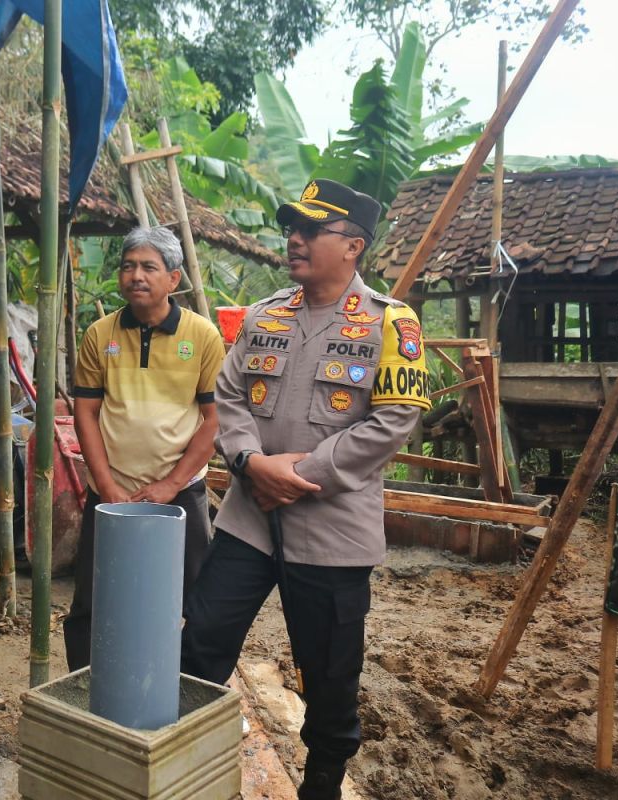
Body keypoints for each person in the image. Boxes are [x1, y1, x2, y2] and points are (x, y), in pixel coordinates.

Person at [180, 180, 431, 799]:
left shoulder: (390, 323)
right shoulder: (266, 315)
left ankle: (320, 785)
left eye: (311, 230)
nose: (294, 239)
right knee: (199, 644)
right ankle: (186, 769)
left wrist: (298, 475)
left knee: (328, 677)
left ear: (353, 247)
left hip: (333, 534)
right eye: (292, 227)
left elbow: (394, 419)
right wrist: (249, 462)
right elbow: (229, 396)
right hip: (246, 520)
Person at [64, 226, 225, 670]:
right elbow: (86, 415)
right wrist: (107, 486)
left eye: (149, 267)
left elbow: (214, 420)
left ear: (173, 279)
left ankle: (192, 691)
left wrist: (172, 484)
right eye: (128, 266)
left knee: (192, 601)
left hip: (182, 494)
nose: (136, 275)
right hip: (111, 494)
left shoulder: (203, 336)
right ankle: (86, 687)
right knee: (94, 599)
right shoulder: (100, 334)